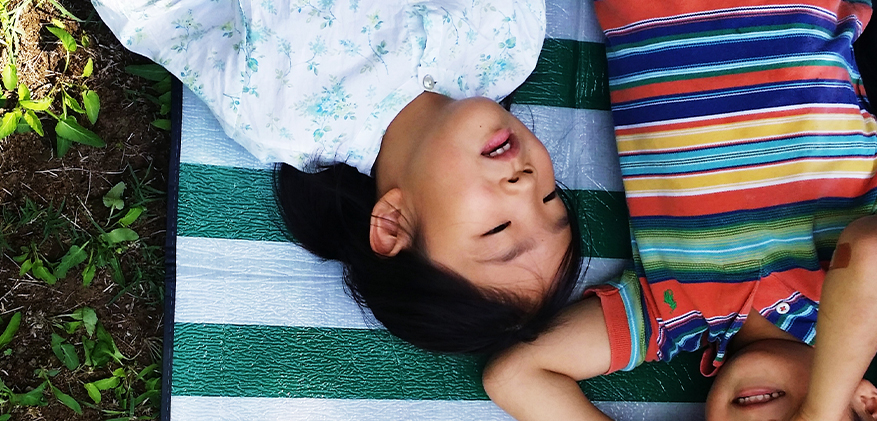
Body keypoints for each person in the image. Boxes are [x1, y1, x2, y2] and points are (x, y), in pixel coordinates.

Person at [482, 0, 877, 421]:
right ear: (869, 406)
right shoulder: (848, 302)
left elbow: (514, 376)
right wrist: (821, 411)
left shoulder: (672, 318)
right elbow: (874, 253)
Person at [92, 0, 585, 354]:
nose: (523, 184)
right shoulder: (509, 44)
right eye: (549, 199)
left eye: (498, 229)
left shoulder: (288, 114)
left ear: (392, 224)